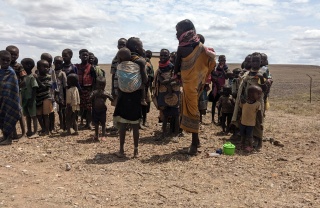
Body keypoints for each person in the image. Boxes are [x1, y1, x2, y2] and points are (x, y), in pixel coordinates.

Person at [174, 19, 216, 155]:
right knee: (194, 108)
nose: (176, 34)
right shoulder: (202, 47)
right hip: (198, 84)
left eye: (178, 30)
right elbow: (211, 62)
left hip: (189, 86)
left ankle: (194, 144)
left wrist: (177, 76)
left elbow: (176, 68)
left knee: (192, 111)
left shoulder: (182, 48)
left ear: (186, 32)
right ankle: (196, 141)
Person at [113, 37, 148, 158]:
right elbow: (145, 79)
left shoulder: (120, 59)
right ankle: (136, 151)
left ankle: (121, 150)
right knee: (135, 124)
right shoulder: (140, 61)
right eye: (141, 45)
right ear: (137, 47)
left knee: (122, 124)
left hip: (123, 95)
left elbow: (116, 76)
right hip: (135, 96)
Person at [232, 53, 266, 150]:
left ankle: (259, 141)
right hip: (247, 101)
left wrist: (261, 78)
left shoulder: (262, 73)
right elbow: (242, 87)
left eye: (257, 61)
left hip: (258, 102)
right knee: (246, 119)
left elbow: (265, 89)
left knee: (258, 121)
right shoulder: (247, 74)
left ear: (261, 62)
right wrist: (242, 97)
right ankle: (247, 140)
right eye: (253, 61)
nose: (255, 63)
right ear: (250, 62)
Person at [154, 49, 180, 141]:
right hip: (163, 91)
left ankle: (176, 134)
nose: (163, 57)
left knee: (175, 114)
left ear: (169, 57)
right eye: (161, 55)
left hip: (174, 91)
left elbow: (176, 78)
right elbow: (159, 79)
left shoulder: (173, 67)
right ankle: (163, 133)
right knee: (164, 113)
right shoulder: (160, 68)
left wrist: (167, 82)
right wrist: (164, 82)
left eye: (165, 56)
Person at [0, 50, 21, 145]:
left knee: (10, 117)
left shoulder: (11, 72)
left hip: (10, 100)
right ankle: (5, 136)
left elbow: (14, 88)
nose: (5, 62)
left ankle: (9, 139)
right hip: (2, 100)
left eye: (7, 60)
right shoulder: (1, 72)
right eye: (3, 60)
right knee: (2, 118)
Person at [6, 45, 26, 139]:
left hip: (16, 93)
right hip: (6, 94)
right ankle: (13, 134)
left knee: (19, 112)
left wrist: (16, 87)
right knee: (9, 113)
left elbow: (24, 80)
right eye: (11, 54)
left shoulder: (19, 66)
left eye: (15, 54)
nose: (13, 56)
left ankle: (23, 133)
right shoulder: (4, 66)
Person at [75, 49, 97, 129]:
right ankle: (77, 124)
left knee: (88, 108)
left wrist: (93, 90)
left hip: (88, 89)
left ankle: (88, 123)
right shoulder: (76, 67)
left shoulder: (91, 68)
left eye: (86, 55)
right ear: (79, 56)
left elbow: (94, 80)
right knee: (79, 107)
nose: (85, 56)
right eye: (83, 55)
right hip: (79, 89)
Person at [239, 85, 262, 152]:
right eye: (258, 94)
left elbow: (259, 114)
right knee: (242, 134)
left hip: (251, 124)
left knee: (249, 136)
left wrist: (261, 123)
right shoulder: (244, 102)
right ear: (251, 94)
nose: (259, 96)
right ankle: (242, 144)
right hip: (243, 122)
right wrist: (239, 118)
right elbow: (241, 110)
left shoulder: (258, 104)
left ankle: (250, 146)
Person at [90, 76, 113, 141]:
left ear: (105, 85)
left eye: (102, 85)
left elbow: (112, 99)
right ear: (96, 85)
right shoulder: (94, 92)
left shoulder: (105, 92)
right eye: (99, 85)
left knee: (103, 123)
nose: (101, 87)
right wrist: (94, 95)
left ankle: (103, 135)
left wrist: (107, 95)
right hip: (95, 110)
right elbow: (89, 98)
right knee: (96, 124)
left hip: (102, 110)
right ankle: (96, 135)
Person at [21, 58, 39, 138]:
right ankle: (29, 131)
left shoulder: (32, 77)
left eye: (23, 65)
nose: (22, 67)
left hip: (31, 99)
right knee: (28, 116)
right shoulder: (25, 77)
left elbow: (34, 88)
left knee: (33, 116)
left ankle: (35, 132)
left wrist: (32, 99)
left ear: (28, 66)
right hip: (25, 100)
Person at [35, 60, 52, 136]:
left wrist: (37, 79)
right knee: (38, 115)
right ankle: (43, 128)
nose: (46, 68)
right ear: (38, 67)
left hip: (46, 97)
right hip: (38, 98)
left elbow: (45, 87)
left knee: (45, 115)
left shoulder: (48, 77)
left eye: (47, 67)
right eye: (44, 67)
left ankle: (47, 130)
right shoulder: (36, 77)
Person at [41, 53, 56, 133]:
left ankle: (52, 127)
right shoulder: (38, 71)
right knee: (43, 112)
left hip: (50, 94)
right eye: (47, 61)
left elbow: (54, 82)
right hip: (41, 94)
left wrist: (54, 93)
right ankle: (45, 127)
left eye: (51, 61)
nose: (49, 63)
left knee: (51, 111)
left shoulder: (51, 71)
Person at [110, 38, 127, 106]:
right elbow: (113, 75)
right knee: (118, 107)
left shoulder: (130, 58)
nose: (122, 46)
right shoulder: (115, 60)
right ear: (117, 46)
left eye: (124, 45)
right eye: (120, 45)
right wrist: (113, 90)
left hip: (128, 88)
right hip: (117, 87)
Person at [53, 56, 67, 131]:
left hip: (61, 95)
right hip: (52, 94)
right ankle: (52, 126)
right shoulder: (51, 72)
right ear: (53, 63)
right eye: (56, 63)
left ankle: (63, 125)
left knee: (62, 110)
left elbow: (65, 85)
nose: (58, 64)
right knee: (54, 111)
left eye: (60, 63)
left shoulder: (62, 73)